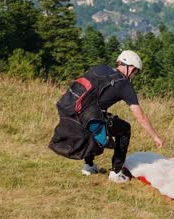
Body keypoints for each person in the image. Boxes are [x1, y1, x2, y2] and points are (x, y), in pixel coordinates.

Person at [60, 50, 164, 182]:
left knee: (96, 122)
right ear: (130, 67)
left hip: (75, 116)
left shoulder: (100, 69)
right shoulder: (124, 84)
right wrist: (155, 136)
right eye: (135, 71)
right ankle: (116, 172)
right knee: (125, 128)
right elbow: (140, 116)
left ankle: (89, 166)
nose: (134, 75)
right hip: (92, 120)